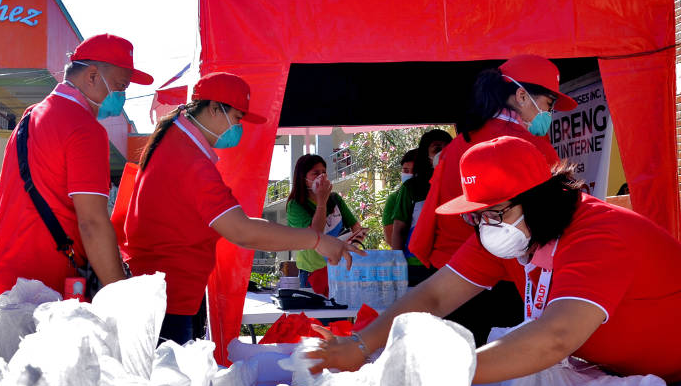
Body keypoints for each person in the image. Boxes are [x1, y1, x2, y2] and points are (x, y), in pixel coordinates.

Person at [309, 136, 681, 386]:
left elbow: (553, 338)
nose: (485, 226)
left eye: (495, 212)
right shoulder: (504, 235)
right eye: (476, 214)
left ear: (542, 198)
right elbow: (433, 296)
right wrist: (361, 343)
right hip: (641, 367)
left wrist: (440, 371)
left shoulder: (600, 234)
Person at [121, 72, 359, 345]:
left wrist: (316, 240)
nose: (239, 128)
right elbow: (242, 231)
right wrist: (317, 240)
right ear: (214, 109)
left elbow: (241, 224)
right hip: (168, 299)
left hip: (166, 294)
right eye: (237, 118)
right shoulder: (189, 159)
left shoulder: (176, 145)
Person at [408, 54, 576, 345]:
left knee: (456, 376)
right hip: (505, 282)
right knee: (506, 382)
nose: (549, 115)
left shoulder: (460, 143)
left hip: (449, 279)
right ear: (522, 96)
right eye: (548, 105)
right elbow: (557, 218)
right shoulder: (532, 147)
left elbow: (430, 221)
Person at [0, 34, 153, 299]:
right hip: (46, 293)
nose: (122, 96)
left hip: (2, 285)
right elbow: (92, 223)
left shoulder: (30, 117)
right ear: (93, 76)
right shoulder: (84, 128)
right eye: (120, 87)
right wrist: (123, 300)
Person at [382, 129, 453, 285]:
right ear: (426, 155)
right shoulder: (411, 188)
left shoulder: (459, 184)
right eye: (437, 149)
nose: (444, 153)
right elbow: (399, 229)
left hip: (451, 264)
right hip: (416, 266)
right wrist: (397, 266)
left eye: (449, 147)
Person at [285, 154, 362, 296]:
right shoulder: (295, 205)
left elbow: (356, 227)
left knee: (339, 316)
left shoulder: (335, 199)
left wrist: (353, 245)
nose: (321, 177)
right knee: (319, 317)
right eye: (315, 173)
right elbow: (315, 235)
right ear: (303, 178)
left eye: (324, 173)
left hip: (339, 270)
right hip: (313, 273)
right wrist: (321, 202)